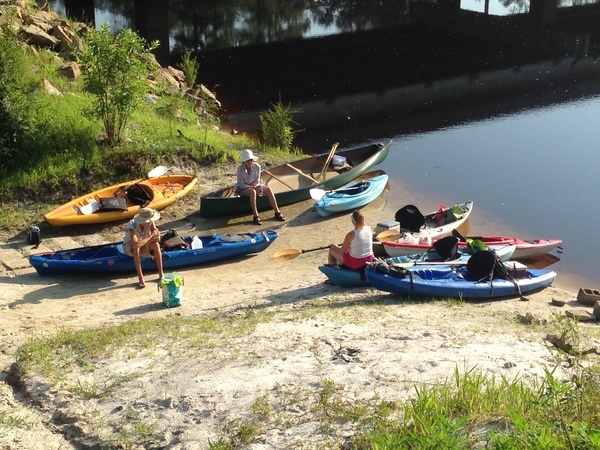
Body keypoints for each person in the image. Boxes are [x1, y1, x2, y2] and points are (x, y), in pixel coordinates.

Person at [235, 149, 286, 225]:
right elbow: (241, 184)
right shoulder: (240, 169)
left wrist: (256, 186)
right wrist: (251, 187)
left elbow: (257, 180)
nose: (249, 162)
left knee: (268, 189)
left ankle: (277, 212)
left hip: (254, 186)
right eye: (247, 160)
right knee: (253, 192)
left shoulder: (257, 166)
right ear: (244, 161)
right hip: (243, 189)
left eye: (251, 160)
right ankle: (256, 216)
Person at [123, 207, 164, 288]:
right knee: (136, 249)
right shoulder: (131, 225)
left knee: (156, 244)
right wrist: (151, 236)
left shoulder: (151, 223)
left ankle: (161, 273)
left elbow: (158, 238)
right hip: (129, 247)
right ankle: (140, 277)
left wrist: (142, 241)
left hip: (142, 243)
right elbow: (136, 245)